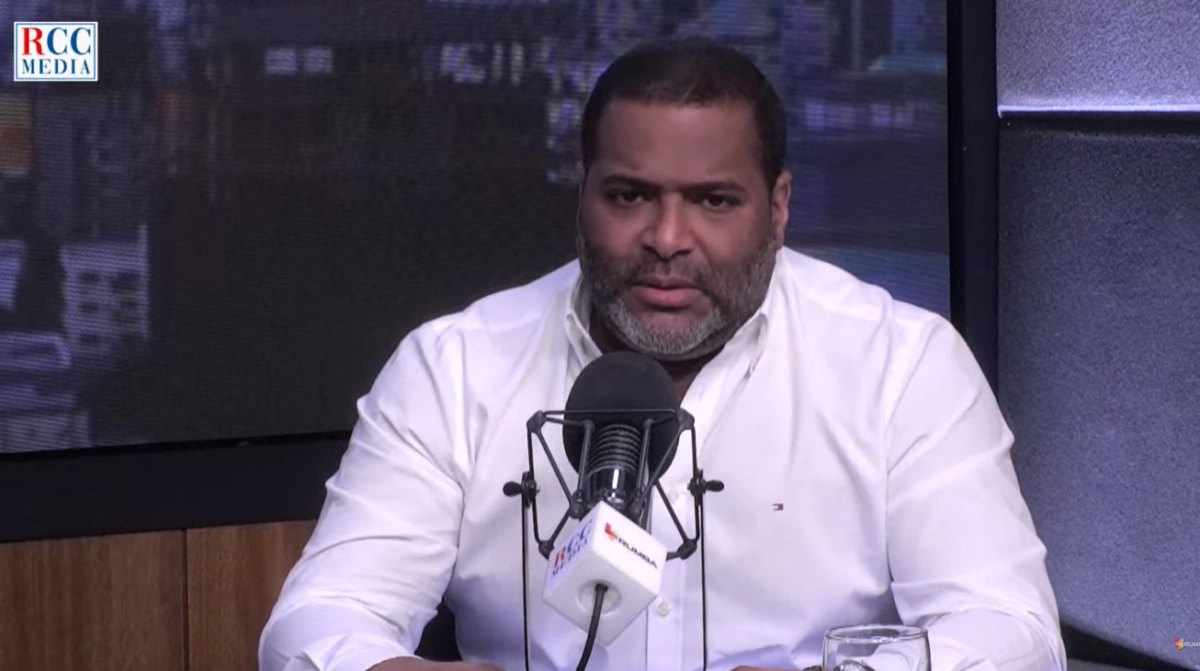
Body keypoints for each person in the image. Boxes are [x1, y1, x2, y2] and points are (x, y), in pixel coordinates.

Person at [260, 37, 1067, 671]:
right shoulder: (453, 369)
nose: (667, 239)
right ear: (582, 191)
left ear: (778, 207)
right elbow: (317, 619)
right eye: (629, 195)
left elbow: (1012, 630)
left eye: (713, 200)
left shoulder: (903, 366)